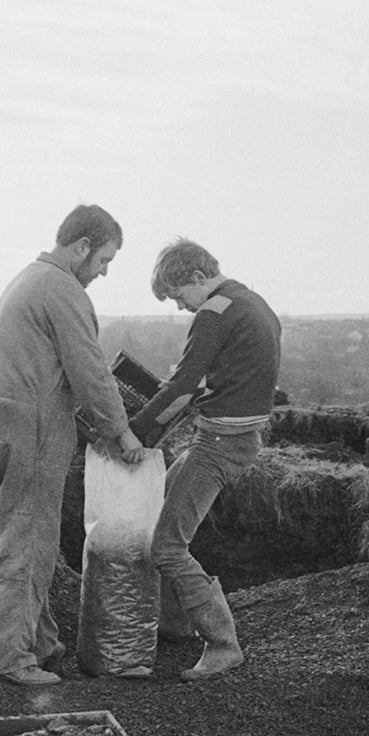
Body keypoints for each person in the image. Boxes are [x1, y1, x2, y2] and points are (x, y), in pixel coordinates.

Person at [0, 204, 145, 686]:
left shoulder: (28, 278)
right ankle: (10, 657)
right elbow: (90, 370)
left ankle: (42, 644)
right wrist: (121, 432)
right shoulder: (62, 289)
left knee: (18, 539)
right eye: (104, 261)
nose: (104, 272)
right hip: (31, 427)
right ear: (81, 247)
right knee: (26, 546)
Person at [130, 238, 281, 681]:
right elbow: (208, 384)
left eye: (178, 296)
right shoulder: (253, 302)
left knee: (168, 545)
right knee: (161, 508)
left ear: (197, 277)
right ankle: (175, 625)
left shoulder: (214, 313)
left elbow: (182, 386)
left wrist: (135, 433)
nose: (180, 307)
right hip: (236, 435)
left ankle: (222, 643)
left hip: (219, 441)